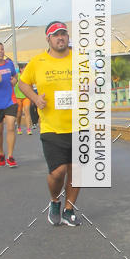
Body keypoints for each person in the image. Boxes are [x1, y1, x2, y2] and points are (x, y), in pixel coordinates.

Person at [18, 21, 82, 226]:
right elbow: (22, 82)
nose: (60, 37)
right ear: (48, 39)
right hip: (51, 126)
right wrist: (35, 99)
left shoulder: (80, 60)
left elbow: (93, 83)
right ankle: (55, 200)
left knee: (76, 170)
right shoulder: (38, 62)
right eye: (56, 35)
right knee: (58, 172)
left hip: (80, 124)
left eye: (63, 34)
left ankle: (68, 209)